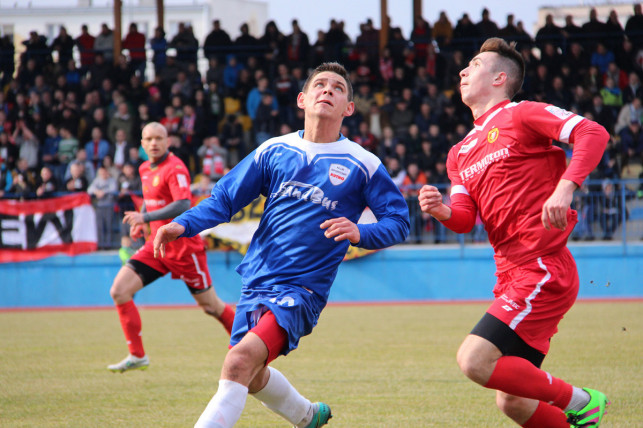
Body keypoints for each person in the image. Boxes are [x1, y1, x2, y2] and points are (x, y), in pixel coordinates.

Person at [152, 62, 410, 428]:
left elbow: (399, 222)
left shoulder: (363, 164)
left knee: (238, 362)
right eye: (319, 84)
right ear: (303, 99)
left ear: (348, 107)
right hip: (257, 282)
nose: (328, 90)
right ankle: (306, 415)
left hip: (302, 290)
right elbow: (224, 200)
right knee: (252, 376)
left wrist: (360, 233)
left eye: (338, 88)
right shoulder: (274, 150)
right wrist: (181, 223)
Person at [418, 38, 610, 428]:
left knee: (473, 359)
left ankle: (582, 401)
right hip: (509, 275)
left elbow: (593, 133)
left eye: (474, 64)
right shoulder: (459, 152)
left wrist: (565, 186)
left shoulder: (522, 114)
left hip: (541, 266)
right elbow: (464, 218)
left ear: (500, 77)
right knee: (514, 403)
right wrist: (441, 211)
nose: (462, 71)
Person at [107, 122, 235, 373]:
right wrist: (141, 221)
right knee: (119, 291)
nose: (154, 143)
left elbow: (183, 203)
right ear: (142, 145)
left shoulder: (175, 167)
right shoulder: (145, 168)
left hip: (184, 249)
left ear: (168, 141)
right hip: (156, 247)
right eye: (148, 139)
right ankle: (137, 355)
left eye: (159, 138)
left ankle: (249, 343)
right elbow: (149, 200)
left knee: (211, 307)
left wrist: (145, 218)